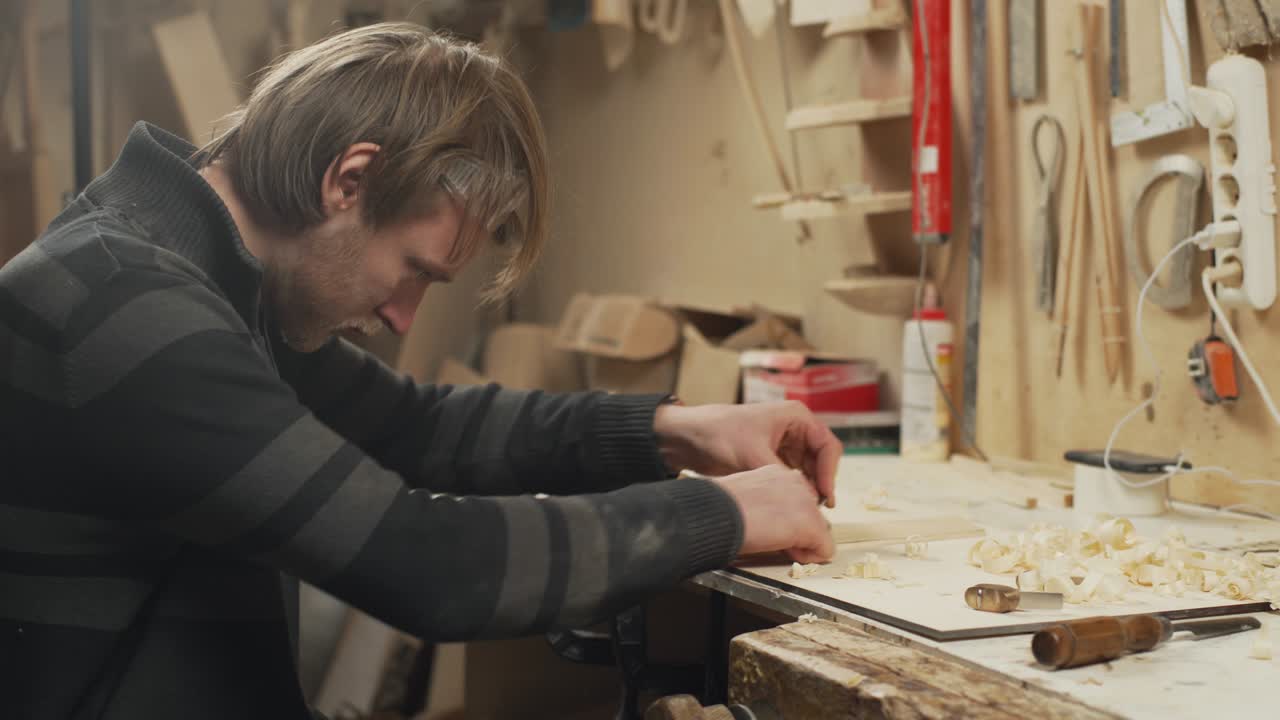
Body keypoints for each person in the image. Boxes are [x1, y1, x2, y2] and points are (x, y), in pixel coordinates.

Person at [0, 22, 837, 719]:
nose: (404, 315)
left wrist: (677, 430)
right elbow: (421, 563)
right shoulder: (126, 304)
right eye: (416, 269)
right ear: (349, 180)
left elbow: (419, 425)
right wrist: (716, 514)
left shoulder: (213, 280)